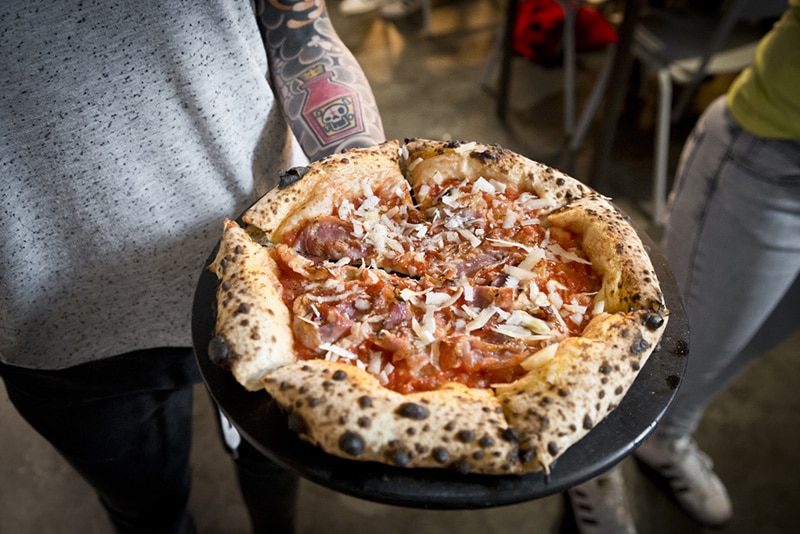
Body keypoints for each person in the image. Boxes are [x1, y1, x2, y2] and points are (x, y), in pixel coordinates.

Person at [0, 1, 384, 533]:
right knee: (148, 512)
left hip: (278, 276)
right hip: (53, 324)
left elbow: (301, 34)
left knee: (276, 468)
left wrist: (373, 193)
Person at [567, 2, 800, 532]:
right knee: (661, 351)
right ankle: (590, 471)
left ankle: (667, 440)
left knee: (753, 337)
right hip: (778, 150)